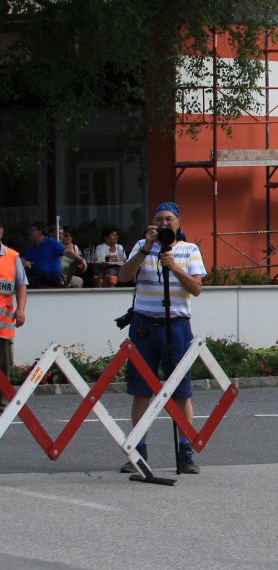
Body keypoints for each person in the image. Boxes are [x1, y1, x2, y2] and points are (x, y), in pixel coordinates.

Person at [116, 202, 207, 475]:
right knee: (140, 390)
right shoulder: (141, 246)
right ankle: (139, 450)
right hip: (144, 325)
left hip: (176, 325)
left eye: (169, 219)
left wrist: (175, 268)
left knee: (181, 391)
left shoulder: (190, 250)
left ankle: (185, 452)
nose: (164, 223)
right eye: (159, 219)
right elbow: (124, 276)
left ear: (178, 222)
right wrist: (146, 248)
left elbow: (196, 289)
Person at [0, 223, 27, 373]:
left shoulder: (12, 256)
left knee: (4, 364)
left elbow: (21, 285)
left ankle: (3, 390)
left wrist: (21, 309)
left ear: (1, 232)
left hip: (3, 321)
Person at [21, 222, 66, 289]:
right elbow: (22, 259)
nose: (30, 233)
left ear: (40, 231)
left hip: (51, 276)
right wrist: (25, 262)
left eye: (32, 230)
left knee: (26, 282)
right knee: (24, 279)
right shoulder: (33, 247)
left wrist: (80, 259)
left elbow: (66, 251)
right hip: (38, 275)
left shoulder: (51, 242)